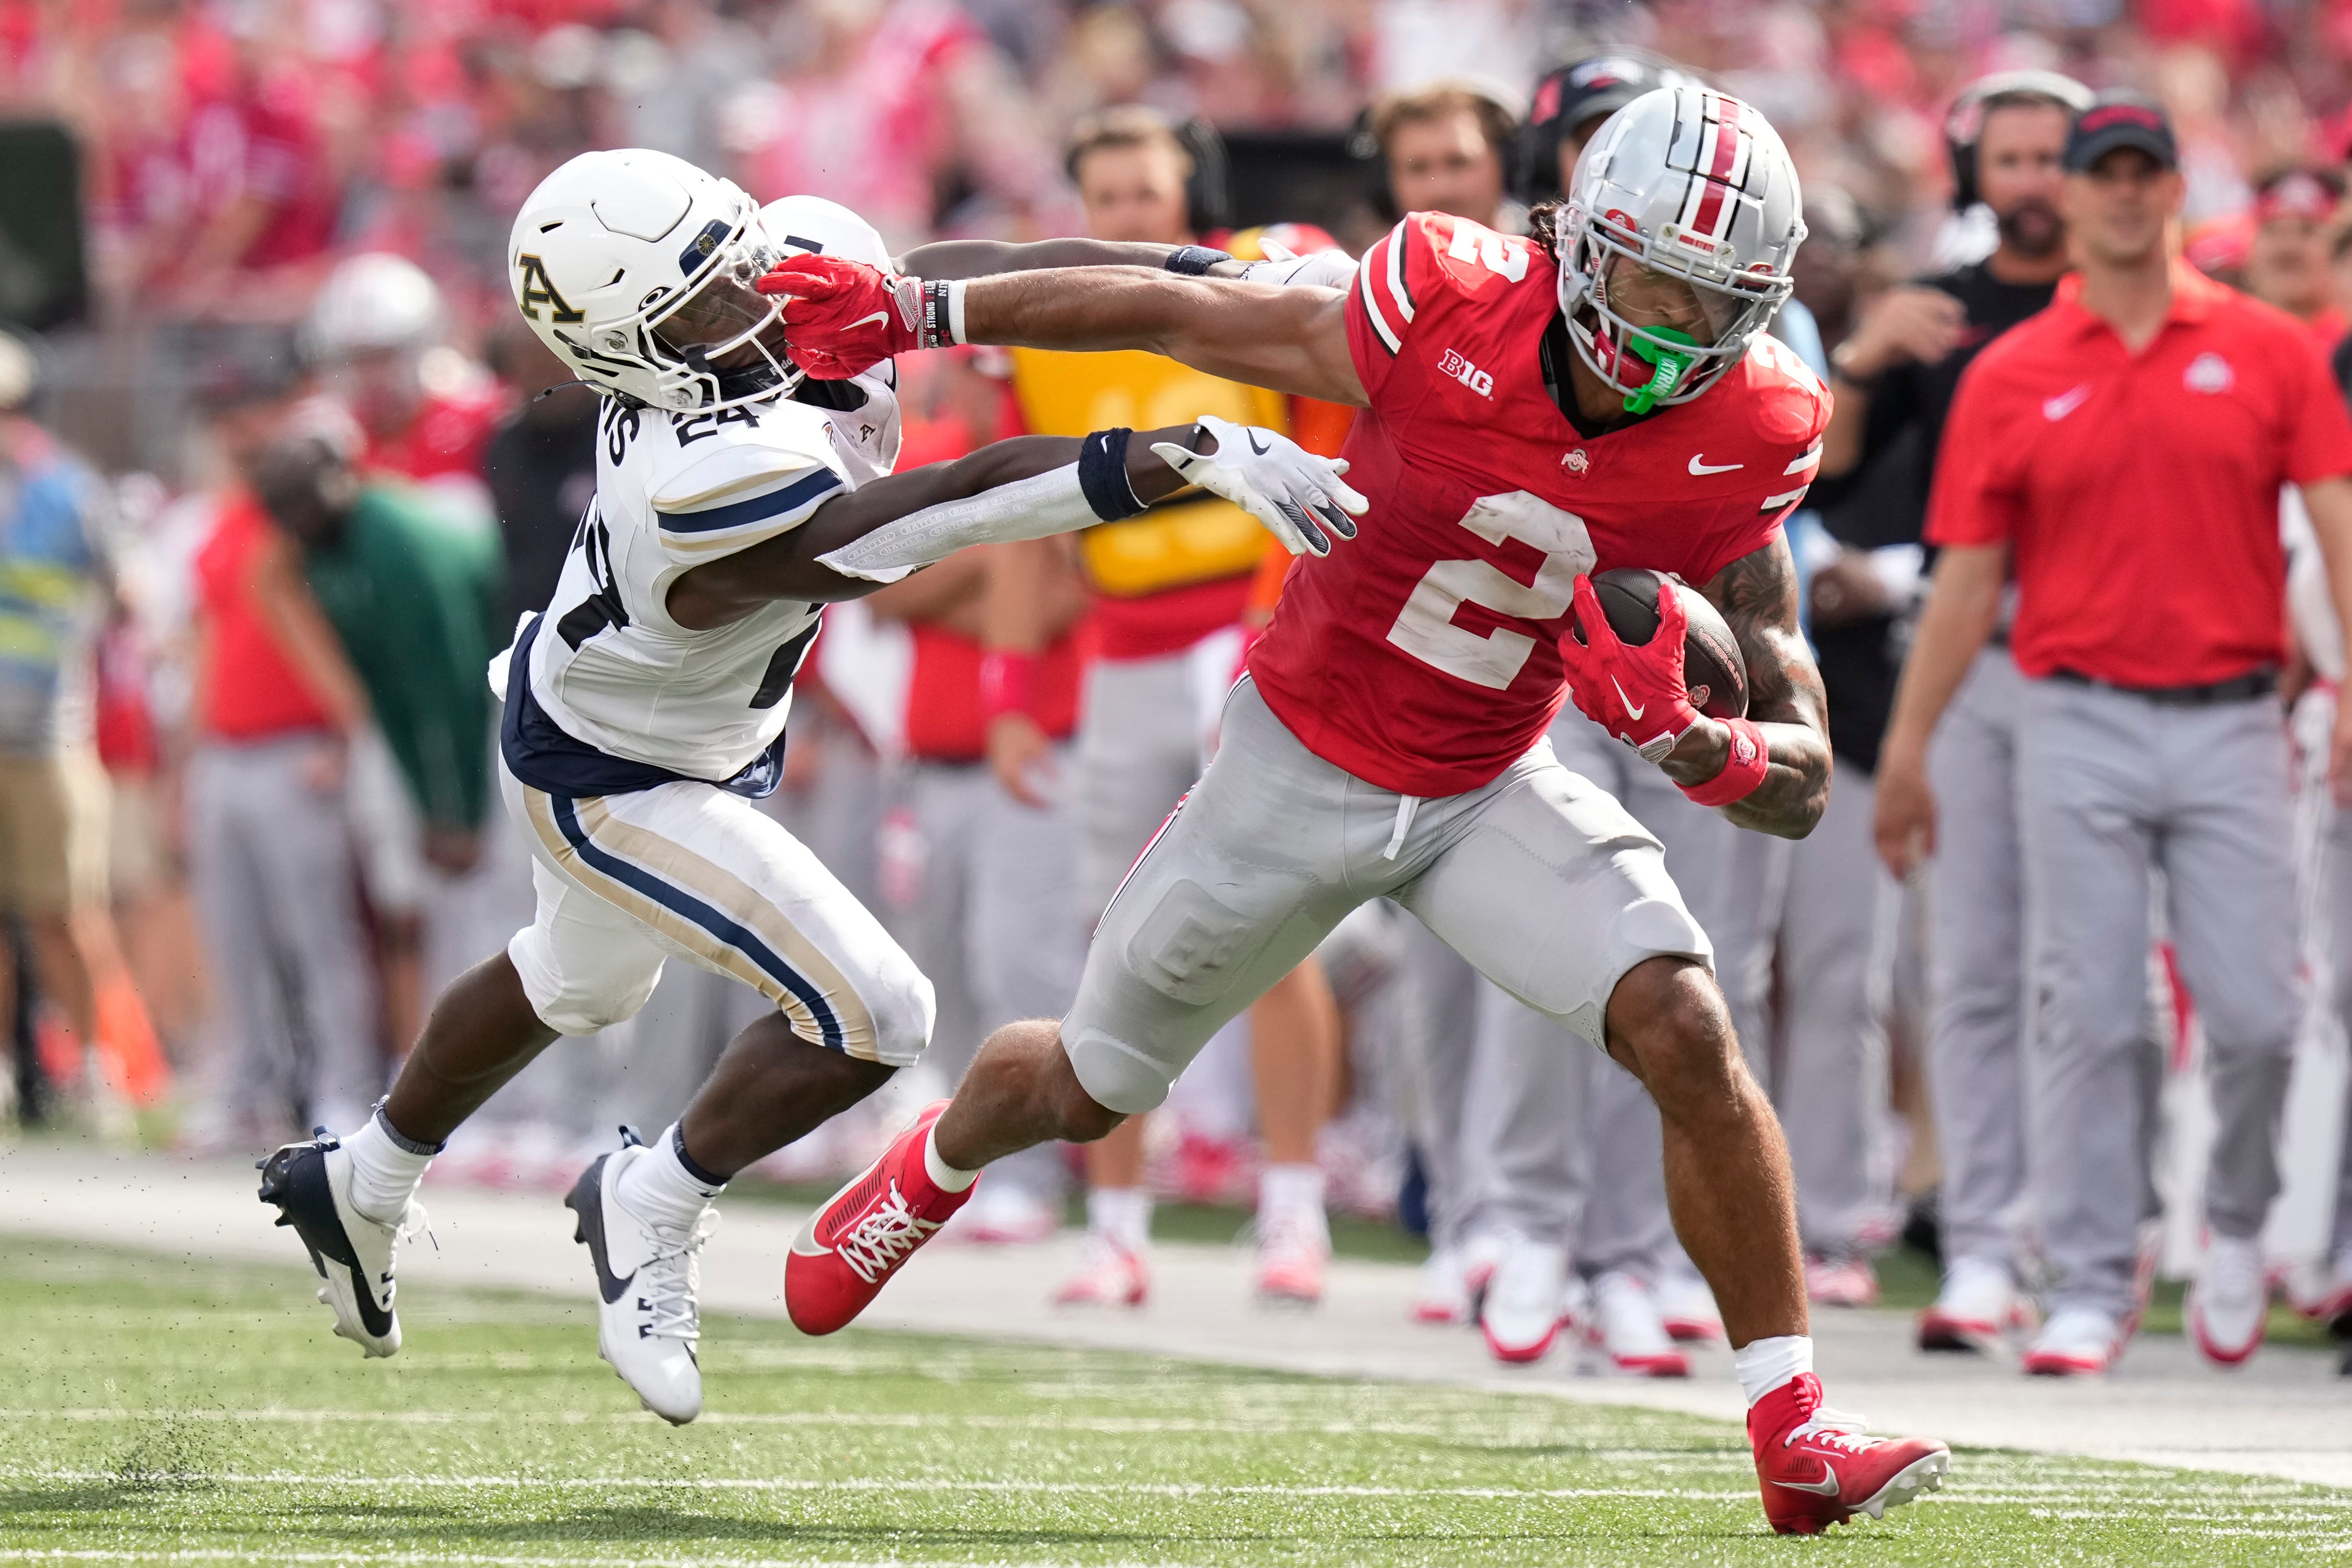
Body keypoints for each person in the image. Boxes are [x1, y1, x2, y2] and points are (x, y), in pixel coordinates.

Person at [772, 84, 1952, 1535]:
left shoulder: (1756, 424)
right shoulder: (1441, 297)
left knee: (1683, 1022)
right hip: (1299, 755)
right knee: (1085, 1083)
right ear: (1581, 243)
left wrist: (1698, 748)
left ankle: (1790, 1432)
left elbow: (1802, 770)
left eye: (1707, 301)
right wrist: (918, 311)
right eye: (1646, 275)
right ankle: (937, 1161)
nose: (1664, 326)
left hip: (1484, 780)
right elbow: (1179, 308)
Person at [257, 148, 1354, 1431]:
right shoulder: (697, 481)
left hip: (628, 701)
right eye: (704, 305)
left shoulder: (773, 262)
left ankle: (365, 1175)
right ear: (632, 356)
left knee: (576, 979)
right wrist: (1169, 455)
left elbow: (979, 277)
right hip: (621, 770)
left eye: (734, 265)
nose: (750, 305)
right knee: (878, 1013)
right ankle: (653, 1196)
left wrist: (1216, 282)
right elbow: (924, 513)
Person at [1875, 93, 2352, 1376]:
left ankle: (2240, 1223)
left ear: (2171, 193)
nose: (2125, 195)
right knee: (2084, 1008)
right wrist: (1911, 746)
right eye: (2105, 175)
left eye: (2145, 173)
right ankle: (2086, 1276)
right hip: (2068, 713)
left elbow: (2333, 518)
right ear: (2073, 196)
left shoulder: (2265, 350)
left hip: (2228, 716)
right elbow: (1963, 578)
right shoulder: (2006, 371)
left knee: (2255, 1013)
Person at [989, 107, 1345, 1307]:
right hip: (1121, 644)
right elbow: (1015, 518)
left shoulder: (1249, 282)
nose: (1128, 217)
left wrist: (1276, 628)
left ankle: (1289, 1208)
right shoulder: (1052, 326)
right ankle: (1116, 1224)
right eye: (1107, 197)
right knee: (1112, 930)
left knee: (1275, 916)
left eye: (1145, 193)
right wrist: (1010, 690)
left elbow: (1326, 442)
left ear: (1184, 191)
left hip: (1252, 628)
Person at [1822, 70, 2092, 1351]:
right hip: (1969, 649)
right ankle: (1983, 1241)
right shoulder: (1939, 317)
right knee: (1970, 967)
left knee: (2095, 979)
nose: (2032, 178)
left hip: (2105, 659)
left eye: (2056, 155)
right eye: (2012, 156)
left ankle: (2089, 1234)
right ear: (1971, 168)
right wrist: (1860, 358)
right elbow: (1815, 467)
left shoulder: (2131, 309)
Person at [0, 335, 143, 1133]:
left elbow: (128, 589)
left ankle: (95, 1070)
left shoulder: (67, 491)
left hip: (50, 734)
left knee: (67, 913)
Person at [2241, 168, 2347, 351]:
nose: (2288, 247)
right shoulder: (2226, 342)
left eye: (2307, 230)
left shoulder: (2346, 346)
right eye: (2272, 230)